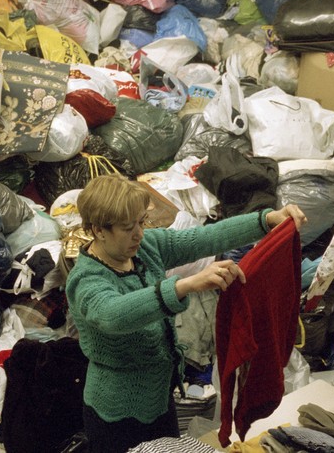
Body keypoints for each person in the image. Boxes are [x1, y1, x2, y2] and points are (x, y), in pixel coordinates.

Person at [66, 174, 307, 453]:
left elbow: (203, 238)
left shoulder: (145, 248)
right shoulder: (86, 280)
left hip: (160, 401)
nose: (138, 234)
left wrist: (265, 221)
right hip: (116, 415)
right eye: (127, 227)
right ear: (98, 230)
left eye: (141, 223)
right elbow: (113, 315)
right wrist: (183, 287)